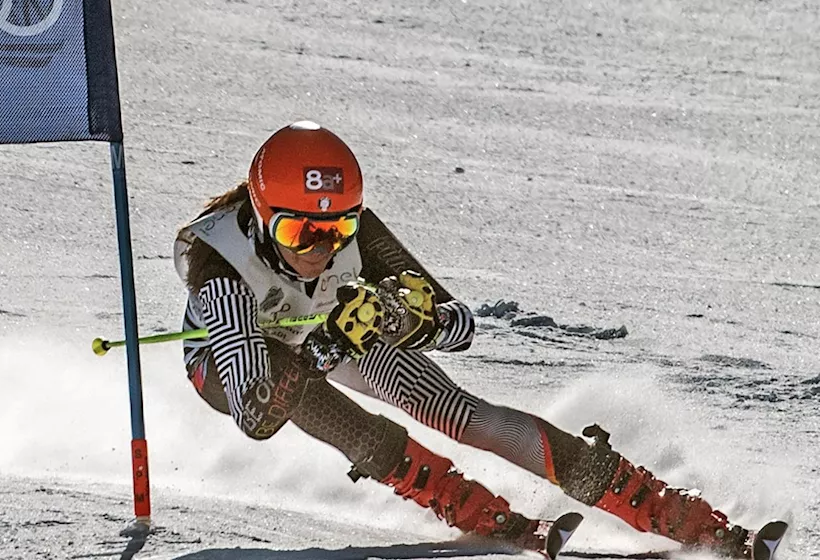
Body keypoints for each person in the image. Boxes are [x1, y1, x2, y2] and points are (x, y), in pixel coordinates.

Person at [172, 120, 757, 557]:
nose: (323, 247)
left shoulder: (356, 235)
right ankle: (463, 502)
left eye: (339, 226)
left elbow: (459, 323)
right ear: (261, 209)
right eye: (299, 231)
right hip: (232, 365)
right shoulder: (219, 264)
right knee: (311, 400)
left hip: (328, 332)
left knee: (463, 413)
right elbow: (257, 413)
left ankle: (658, 505)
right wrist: (331, 348)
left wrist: (403, 318)